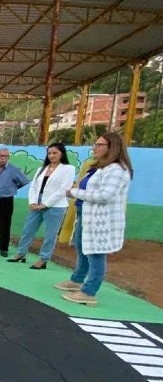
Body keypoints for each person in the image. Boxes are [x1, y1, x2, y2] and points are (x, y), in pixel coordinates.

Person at [56, 132, 133, 307]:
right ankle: (77, 280)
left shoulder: (117, 169)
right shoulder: (100, 167)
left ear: (112, 147)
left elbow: (106, 195)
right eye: (95, 144)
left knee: (96, 253)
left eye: (99, 145)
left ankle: (89, 292)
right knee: (82, 247)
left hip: (101, 219)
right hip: (86, 212)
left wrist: (75, 192)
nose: (95, 148)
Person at [8, 143, 76, 269]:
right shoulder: (42, 169)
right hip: (37, 203)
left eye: (55, 153)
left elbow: (64, 189)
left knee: (50, 234)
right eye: (49, 153)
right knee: (28, 230)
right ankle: (21, 253)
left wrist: (45, 204)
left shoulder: (68, 169)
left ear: (62, 153)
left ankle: (44, 259)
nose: (51, 155)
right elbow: (33, 186)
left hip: (55, 206)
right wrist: (33, 202)